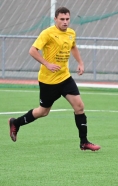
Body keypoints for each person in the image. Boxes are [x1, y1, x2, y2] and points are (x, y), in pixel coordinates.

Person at [8, 7, 100, 151]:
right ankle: (16, 123)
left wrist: (80, 63)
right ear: (55, 19)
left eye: (67, 19)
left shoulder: (71, 33)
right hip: (48, 81)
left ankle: (84, 142)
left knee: (79, 106)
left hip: (65, 77)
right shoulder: (48, 33)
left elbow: (73, 47)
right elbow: (32, 50)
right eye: (62, 19)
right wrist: (47, 64)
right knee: (43, 112)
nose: (65, 22)